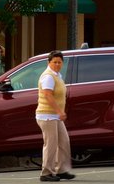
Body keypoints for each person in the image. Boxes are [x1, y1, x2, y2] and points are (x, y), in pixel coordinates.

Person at [36, 51, 74, 182]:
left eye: (59, 62)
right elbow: (47, 94)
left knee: (64, 141)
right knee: (50, 144)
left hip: (55, 116)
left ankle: (61, 170)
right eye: (54, 62)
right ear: (49, 63)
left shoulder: (57, 75)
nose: (57, 64)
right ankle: (46, 173)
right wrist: (59, 111)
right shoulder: (48, 76)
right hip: (47, 116)